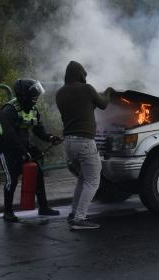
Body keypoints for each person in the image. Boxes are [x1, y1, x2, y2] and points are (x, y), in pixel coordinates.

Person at [55, 61, 114, 230]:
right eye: (84, 75)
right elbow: (103, 103)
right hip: (84, 142)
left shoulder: (60, 93)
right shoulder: (86, 89)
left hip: (68, 143)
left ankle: (74, 214)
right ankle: (79, 218)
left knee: (83, 178)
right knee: (93, 180)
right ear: (80, 75)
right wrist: (109, 91)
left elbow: (83, 108)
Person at [0, 79, 62, 222]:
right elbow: (10, 136)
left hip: (23, 145)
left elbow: (38, 130)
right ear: (23, 95)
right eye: (33, 95)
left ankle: (43, 207)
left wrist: (50, 137)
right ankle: (8, 212)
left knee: (38, 173)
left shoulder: (33, 109)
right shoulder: (9, 110)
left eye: (37, 95)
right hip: (5, 148)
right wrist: (24, 153)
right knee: (11, 180)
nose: (36, 98)